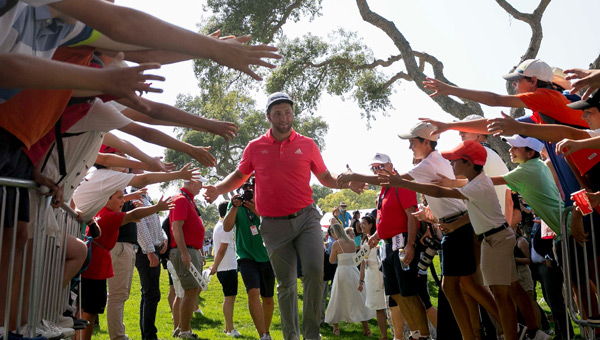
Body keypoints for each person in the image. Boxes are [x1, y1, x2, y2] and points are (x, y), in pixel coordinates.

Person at [204, 92, 365, 340]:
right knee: (287, 283)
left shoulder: (308, 144)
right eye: (277, 113)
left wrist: (346, 184)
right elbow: (239, 176)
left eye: (287, 112)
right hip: (273, 225)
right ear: (269, 116)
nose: (283, 117)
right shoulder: (255, 147)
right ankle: (291, 336)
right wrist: (217, 189)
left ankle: (312, 334)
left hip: (306, 219)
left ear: (292, 114)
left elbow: (325, 178)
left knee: (314, 271)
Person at [380, 140, 549, 340]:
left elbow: (441, 192)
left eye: (454, 161)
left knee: (498, 293)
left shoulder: (475, 185)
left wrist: (400, 182)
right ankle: (525, 331)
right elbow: (457, 190)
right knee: (496, 288)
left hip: (494, 239)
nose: (450, 164)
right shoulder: (477, 181)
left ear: (468, 163)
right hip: (490, 238)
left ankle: (513, 333)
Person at [337, 152, 432, 340]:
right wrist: (375, 236)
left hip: (403, 243)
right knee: (396, 294)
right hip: (387, 246)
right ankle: (414, 333)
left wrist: (411, 244)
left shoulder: (400, 184)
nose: (377, 171)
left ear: (391, 165)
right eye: (374, 168)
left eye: (381, 166)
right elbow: (387, 220)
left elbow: (411, 216)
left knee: (409, 293)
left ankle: (425, 335)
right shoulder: (383, 190)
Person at [80, 190, 174, 340]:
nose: (123, 202)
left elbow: (128, 212)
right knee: (94, 308)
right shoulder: (110, 216)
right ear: (107, 199)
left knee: (86, 308)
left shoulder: (102, 211)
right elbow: (134, 216)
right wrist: (157, 207)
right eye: (119, 198)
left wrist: (131, 199)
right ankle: (117, 336)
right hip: (96, 267)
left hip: (93, 265)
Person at [223, 179, 275, 340]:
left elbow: (273, 223)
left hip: (267, 256)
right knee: (253, 292)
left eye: (252, 189)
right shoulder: (236, 206)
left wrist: (257, 209)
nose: (249, 192)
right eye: (246, 189)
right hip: (245, 257)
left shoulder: (266, 202)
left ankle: (266, 332)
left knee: (268, 298)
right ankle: (262, 335)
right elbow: (226, 227)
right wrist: (233, 207)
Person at [169, 179, 208, 339]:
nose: (202, 187)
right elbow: (176, 227)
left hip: (191, 250)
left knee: (192, 290)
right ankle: (184, 331)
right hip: (184, 250)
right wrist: (185, 252)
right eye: (200, 183)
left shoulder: (187, 200)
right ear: (191, 183)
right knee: (190, 290)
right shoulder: (181, 200)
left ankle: (183, 328)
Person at [324, 223, 375, 336]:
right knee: (358, 298)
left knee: (337, 297)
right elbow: (356, 258)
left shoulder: (336, 244)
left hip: (342, 272)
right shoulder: (351, 242)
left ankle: (336, 327)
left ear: (334, 233)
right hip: (353, 271)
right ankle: (366, 329)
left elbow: (331, 261)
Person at [134, 188, 168, 340]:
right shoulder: (136, 198)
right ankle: (149, 336)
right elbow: (140, 226)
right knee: (151, 294)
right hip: (146, 251)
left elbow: (155, 224)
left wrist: (164, 238)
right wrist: (149, 250)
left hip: (153, 249)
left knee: (150, 294)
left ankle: (147, 335)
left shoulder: (146, 197)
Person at [210, 201, 241, 337]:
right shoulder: (225, 227)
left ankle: (228, 327)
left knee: (228, 297)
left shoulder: (218, 225)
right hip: (227, 267)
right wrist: (214, 267)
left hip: (225, 267)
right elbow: (221, 250)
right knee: (229, 298)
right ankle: (230, 329)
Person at [358, 213, 389, 339]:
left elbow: (382, 249)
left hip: (379, 272)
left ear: (371, 225)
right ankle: (384, 335)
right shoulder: (363, 240)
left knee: (385, 305)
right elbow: (360, 262)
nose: (362, 225)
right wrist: (360, 281)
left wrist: (376, 245)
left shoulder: (379, 239)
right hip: (369, 275)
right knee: (377, 307)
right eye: (361, 223)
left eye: (364, 223)